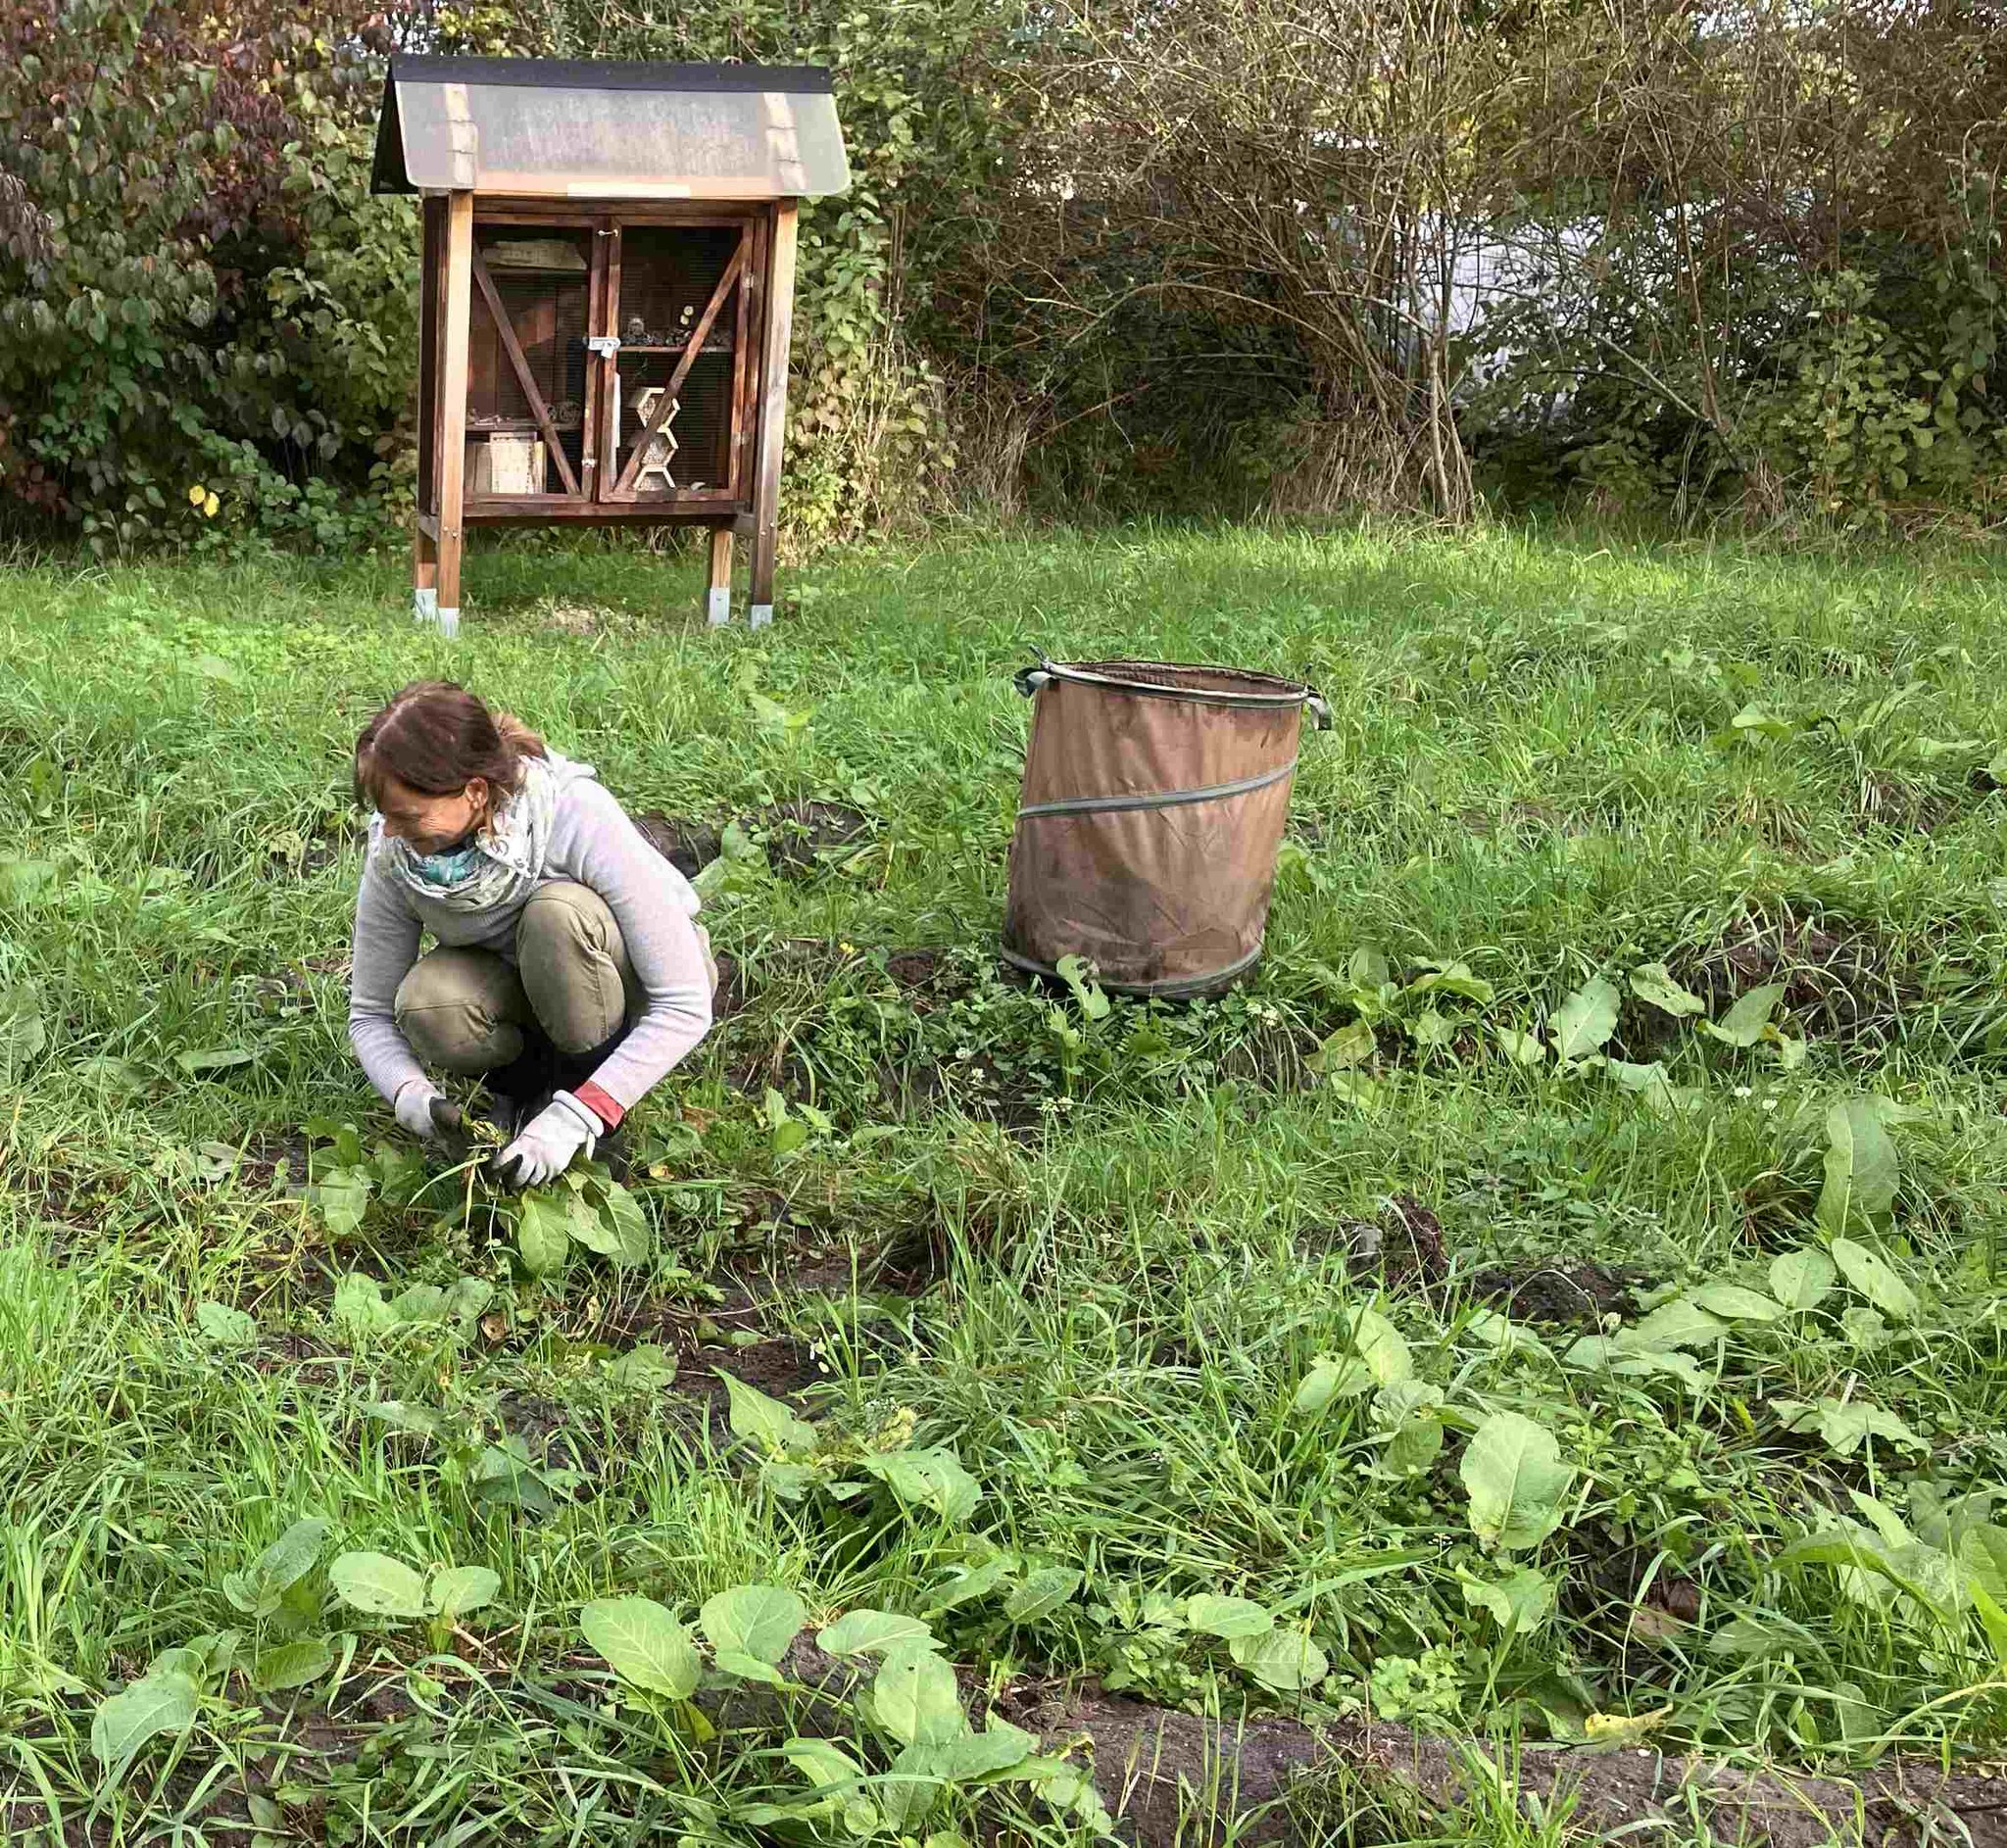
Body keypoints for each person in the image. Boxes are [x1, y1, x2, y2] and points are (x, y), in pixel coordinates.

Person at [347, 681, 714, 1190]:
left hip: (624, 988)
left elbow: (685, 1003)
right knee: (430, 1003)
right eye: (385, 814)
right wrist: (410, 1094)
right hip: (528, 989)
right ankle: (524, 1094)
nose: (389, 831)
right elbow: (369, 1013)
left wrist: (579, 1115)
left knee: (555, 916)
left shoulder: (570, 812)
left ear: (475, 792)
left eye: (407, 815)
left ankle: (591, 1107)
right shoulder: (397, 853)